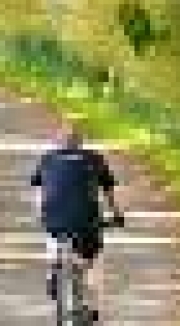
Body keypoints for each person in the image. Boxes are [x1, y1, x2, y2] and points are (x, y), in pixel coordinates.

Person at [29, 128, 124, 300]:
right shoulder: (95, 158)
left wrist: (40, 213)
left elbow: (39, 191)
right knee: (94, 258)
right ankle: (93, 305)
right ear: (81, 143)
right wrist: (116, 214)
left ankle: (53, 265)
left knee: (53, 232)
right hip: (86, 218)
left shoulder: (48, 159)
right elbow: (108, 191)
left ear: (59, 143)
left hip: (53, 214)